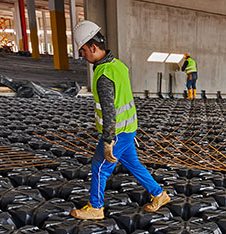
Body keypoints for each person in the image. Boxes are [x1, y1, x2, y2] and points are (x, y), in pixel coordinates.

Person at [69, 21, 170, 220]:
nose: (83, 55)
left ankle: (96, 207)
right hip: (129, 128)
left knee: (99, 166)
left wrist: (108, 140)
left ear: (93, 47)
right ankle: (159, 194)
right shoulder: (118, 65)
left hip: (118, 132)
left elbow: (109, 111)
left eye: (83, 50)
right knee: (134, 164)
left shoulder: (104, 75)